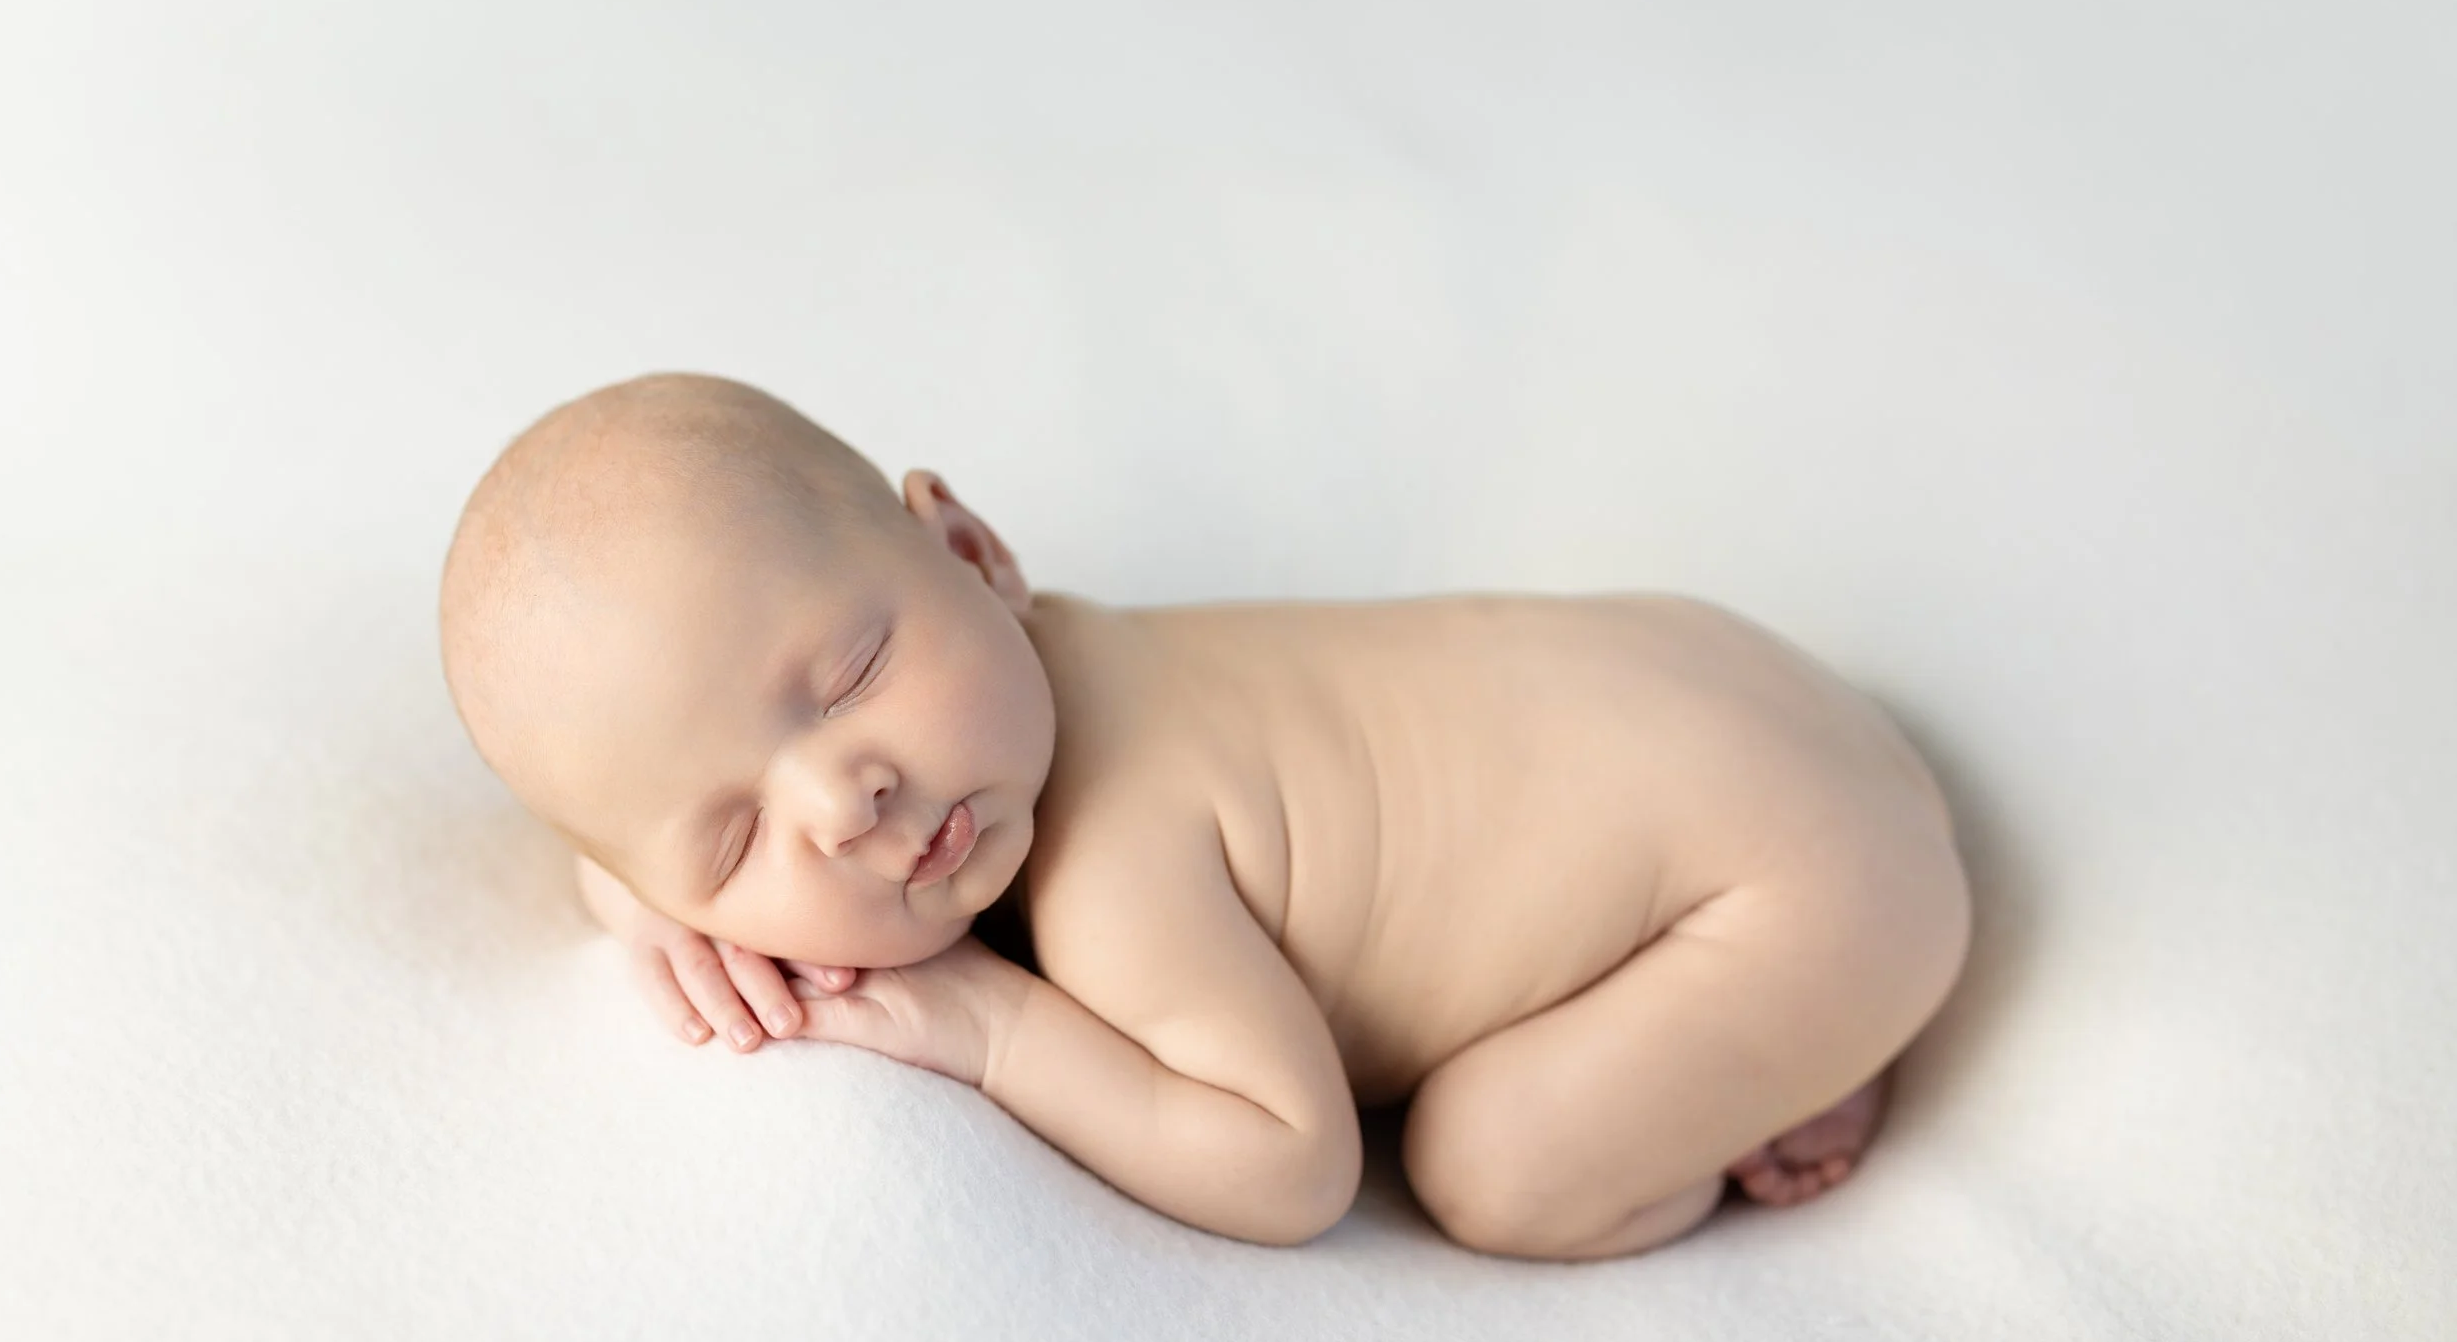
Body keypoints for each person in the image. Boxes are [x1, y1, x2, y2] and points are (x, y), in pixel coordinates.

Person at [438, 372, 1971, 1259]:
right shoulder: (1049, 670)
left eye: (847, 678)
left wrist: (985, 1026)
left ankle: (1794, 1066)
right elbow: (630, 805)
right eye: (734, 840)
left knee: (1494, 1170)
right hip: (1724, 675)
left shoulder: (1119, 864)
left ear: (973, 550)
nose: (850, 800)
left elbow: (1290, 1163)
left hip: (1793, 882)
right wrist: (646, 898)